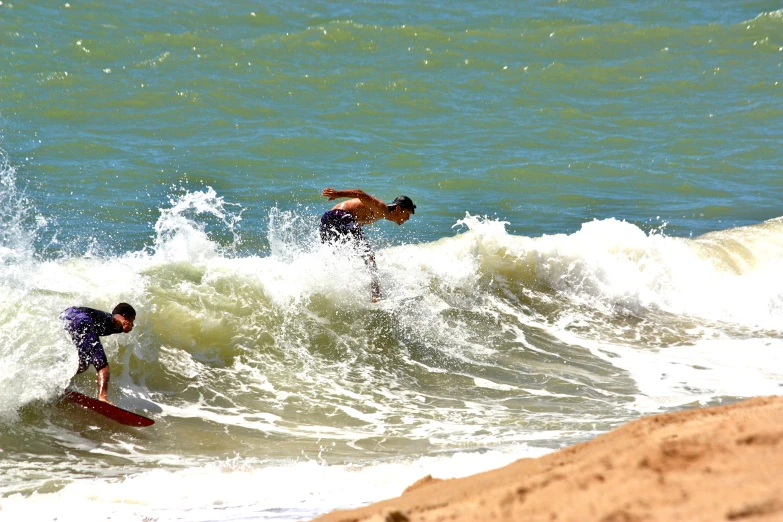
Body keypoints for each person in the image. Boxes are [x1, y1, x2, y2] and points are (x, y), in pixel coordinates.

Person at [320, 188, 416, 301]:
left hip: (327, 220)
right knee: (369, 255)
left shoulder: (375, 215)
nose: (408, 218)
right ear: (398, 209)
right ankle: (376, 295)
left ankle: (326, 289)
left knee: (337, 254)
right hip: (339, 216)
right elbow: (360, 193)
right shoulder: (382, 208)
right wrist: (338, 194)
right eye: (408, 213)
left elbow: (355, 228)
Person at [60, 303, 136, 403]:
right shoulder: (113, 319)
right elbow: (116, 317)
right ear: (125, 316)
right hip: (81, 318)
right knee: (102, 365)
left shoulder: (117, 328)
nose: (132, 324)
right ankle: (102, 397)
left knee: (83, 364)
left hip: (66, 318)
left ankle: (60, 384)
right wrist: (123, 321)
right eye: (132, 320)